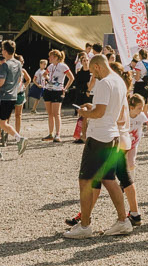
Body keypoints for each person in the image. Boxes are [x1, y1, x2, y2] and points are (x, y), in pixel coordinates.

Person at [64, 52, 134, 237]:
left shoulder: (104, 83)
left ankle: (85, 226)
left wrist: (84, 113)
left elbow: (100, 113)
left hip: (99, 136)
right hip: (112, 134)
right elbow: (108, 110)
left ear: (97, 66)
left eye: (93, 72)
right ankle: (123, 221)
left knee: (85, 180)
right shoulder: (119, 81)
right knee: (109, 179)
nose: (93, 76)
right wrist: (91, 107)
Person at [0, 41, 29, 159]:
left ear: (4, 51)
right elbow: (19, 79)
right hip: (13, 96)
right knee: (1, 122)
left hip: (3, 96)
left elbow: (1, 82)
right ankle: (16, 140)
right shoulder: (18, 63)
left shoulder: (5, 65)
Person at [38, 49, 72, 143]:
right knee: (50, 114)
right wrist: (49, 80)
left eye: (51, 56)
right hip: (48, 90)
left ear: (56, 57)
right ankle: (51, 134)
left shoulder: (63, 66)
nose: (49, 58)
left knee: (56, 113)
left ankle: (58, 134)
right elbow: (44, 74)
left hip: (57, 91)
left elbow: (71, 77)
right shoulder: (51, 66)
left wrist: (65, 88)